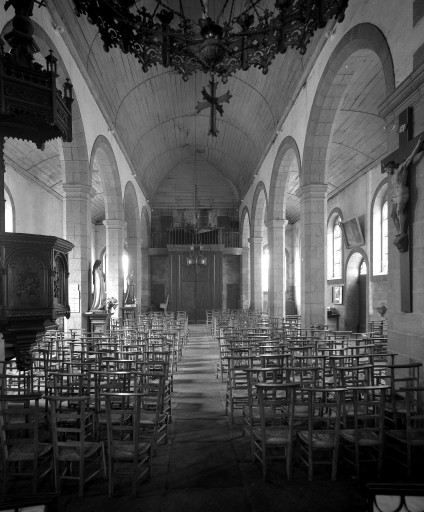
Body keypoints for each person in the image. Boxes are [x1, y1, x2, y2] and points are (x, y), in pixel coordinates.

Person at [383, 134, 424, 239]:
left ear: (390, 166)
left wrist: (418, 144)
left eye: (387, 169)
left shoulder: (401, 168)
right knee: (392, 215)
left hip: (402, 192)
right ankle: (399, 232)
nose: (387, 172)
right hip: (395, 195)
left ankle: (403, 233)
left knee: (400, 211)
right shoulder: (392, 177)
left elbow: (410, 157)